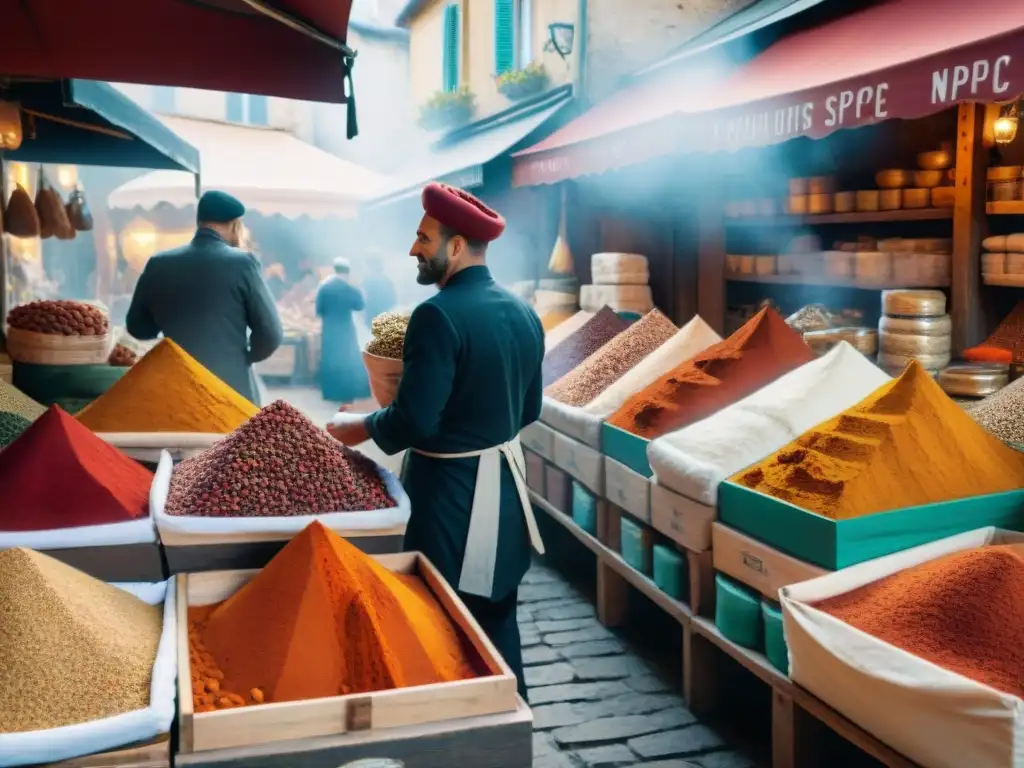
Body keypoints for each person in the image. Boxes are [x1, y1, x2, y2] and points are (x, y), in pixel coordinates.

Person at [327, 182, 545, 700]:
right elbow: (530, 409)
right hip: (506, 491)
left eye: (423, 238)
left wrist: (357, 427)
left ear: (456, 245)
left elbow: (415, 422)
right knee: (497, 617)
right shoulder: (524, 312)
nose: (413, 249)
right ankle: (510, 730)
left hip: (449, 497)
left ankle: (457, 730)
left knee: (443, 620)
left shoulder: (437, 314)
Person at [125, 190, 283, 405]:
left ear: (199, 222)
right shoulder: (243, 263)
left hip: (175, 389)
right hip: (230, 390)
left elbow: (138, 328)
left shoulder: (158, 263)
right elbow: (271, 333)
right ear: (234, 224)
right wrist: (242, 356)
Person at [316, 257, 371, 404]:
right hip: (345, 329)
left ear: (335, 269)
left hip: (329, 330)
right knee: (346, 360)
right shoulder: (350, 288)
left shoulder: (324, 288)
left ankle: (331, 392)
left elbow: (319, 310)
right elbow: (359, 306)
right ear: (348, 272)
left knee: (330, 359)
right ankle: (347, 392)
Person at [360, 251, 398, 328]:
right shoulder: (387, 281)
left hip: (374, 318)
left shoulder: (367, 280)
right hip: (383, 318)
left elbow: (363, 300)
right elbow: (393, 301)